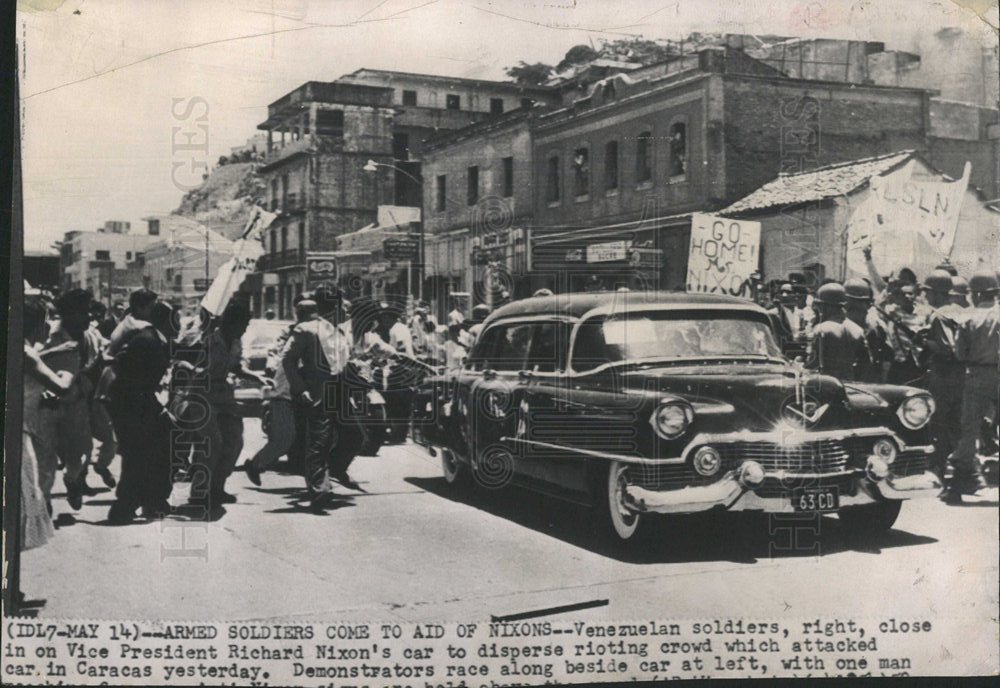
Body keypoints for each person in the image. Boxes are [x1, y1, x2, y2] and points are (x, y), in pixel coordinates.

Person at [174, 300, 261, 510]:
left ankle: (217, 487)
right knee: (211, 443)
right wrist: (196, 370)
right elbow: (181, 360)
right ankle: (199, 492)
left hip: (224, 395)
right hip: (202, 396)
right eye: (242, 325)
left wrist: (256, 376)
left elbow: (237, 366)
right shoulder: (208, 339)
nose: (244, 329)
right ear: (231, 323)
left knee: (234, 441)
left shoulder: (235, 342)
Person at [283, 286, 362, 508]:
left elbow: (342, 362)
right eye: (341, 305)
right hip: (318, 391)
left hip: (340, 390)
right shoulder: (306, 329)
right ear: (334, 306)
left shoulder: (340, 332)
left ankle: (335, 469)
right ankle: (320, 490)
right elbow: (288, 360)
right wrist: (301, 388)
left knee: (355, 435)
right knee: (319, 441)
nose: (345, 309)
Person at [105, 301, 176, 523]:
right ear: (167, 321)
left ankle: (152, 500)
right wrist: (155, 409)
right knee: (139, 454)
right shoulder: (148, 341)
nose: (180, 325)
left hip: (136, 401)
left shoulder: (153, 339)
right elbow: (131, 377)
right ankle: (126, 506)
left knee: (157, 446)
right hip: (132, 403)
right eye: (177, 320)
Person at [244, 295, 317, 487]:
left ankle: (316, 480)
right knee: (284, 440)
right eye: (306, 314)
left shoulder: (319, 333)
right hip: (285, 393)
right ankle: (255, 464)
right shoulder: (291, 334)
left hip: (305, 393)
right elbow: (277, 356)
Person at [38, 289, 99, 510]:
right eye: (84, 312)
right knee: (46, 457)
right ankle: (43, 502)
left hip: (76, 402)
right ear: (70, 313)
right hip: (48, 404)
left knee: (81, 453)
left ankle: (72, 481)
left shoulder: (88, 336)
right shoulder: (49, 334)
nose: (89, 317)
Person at [943, 270, 998, 503]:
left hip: (977, 373)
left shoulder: (968, 318)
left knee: (970, 429)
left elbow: (959, 353)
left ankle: (959, 480)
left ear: (976, 294)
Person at [23, 296, 72, 545]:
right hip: (19, 434)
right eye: (46, 320)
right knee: (23, 500)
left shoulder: (22, 348)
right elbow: (61, 386)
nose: (50, 325)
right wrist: (67, 373)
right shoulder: (27, 353)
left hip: (22, 427)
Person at [920, 270, 969, 479]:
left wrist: (923, 341)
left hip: (943, 375)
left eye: (928, 293)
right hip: (963, 377)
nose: (926, 297)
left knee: (938, 425)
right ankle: (963, 474)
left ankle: (938, 471)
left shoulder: (939, 315)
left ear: (938, 293)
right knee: (957, 426)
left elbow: (946, 348)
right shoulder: (963, 311)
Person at [806, 283, 866, 381]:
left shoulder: (821, 329)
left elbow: (812, 364)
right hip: (850, 384)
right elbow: (865, 363)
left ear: (825, 307)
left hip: (826, 385)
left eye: (819, 306)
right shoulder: (858, 329)